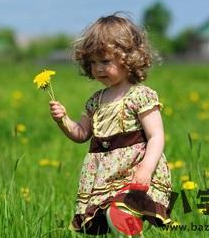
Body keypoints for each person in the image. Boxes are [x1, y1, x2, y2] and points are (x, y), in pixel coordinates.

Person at [49, 13, 172, 236]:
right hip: (104, 176)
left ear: (129, 58)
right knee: (109, 220)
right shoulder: (95, 101)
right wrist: (63, 120)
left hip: (134, 170)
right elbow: (82, 134)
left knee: (121, 213)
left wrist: (146, 169)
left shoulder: (140, 96)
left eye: (105, 61)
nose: (98, 69)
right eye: (93, 63)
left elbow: (156, 136)